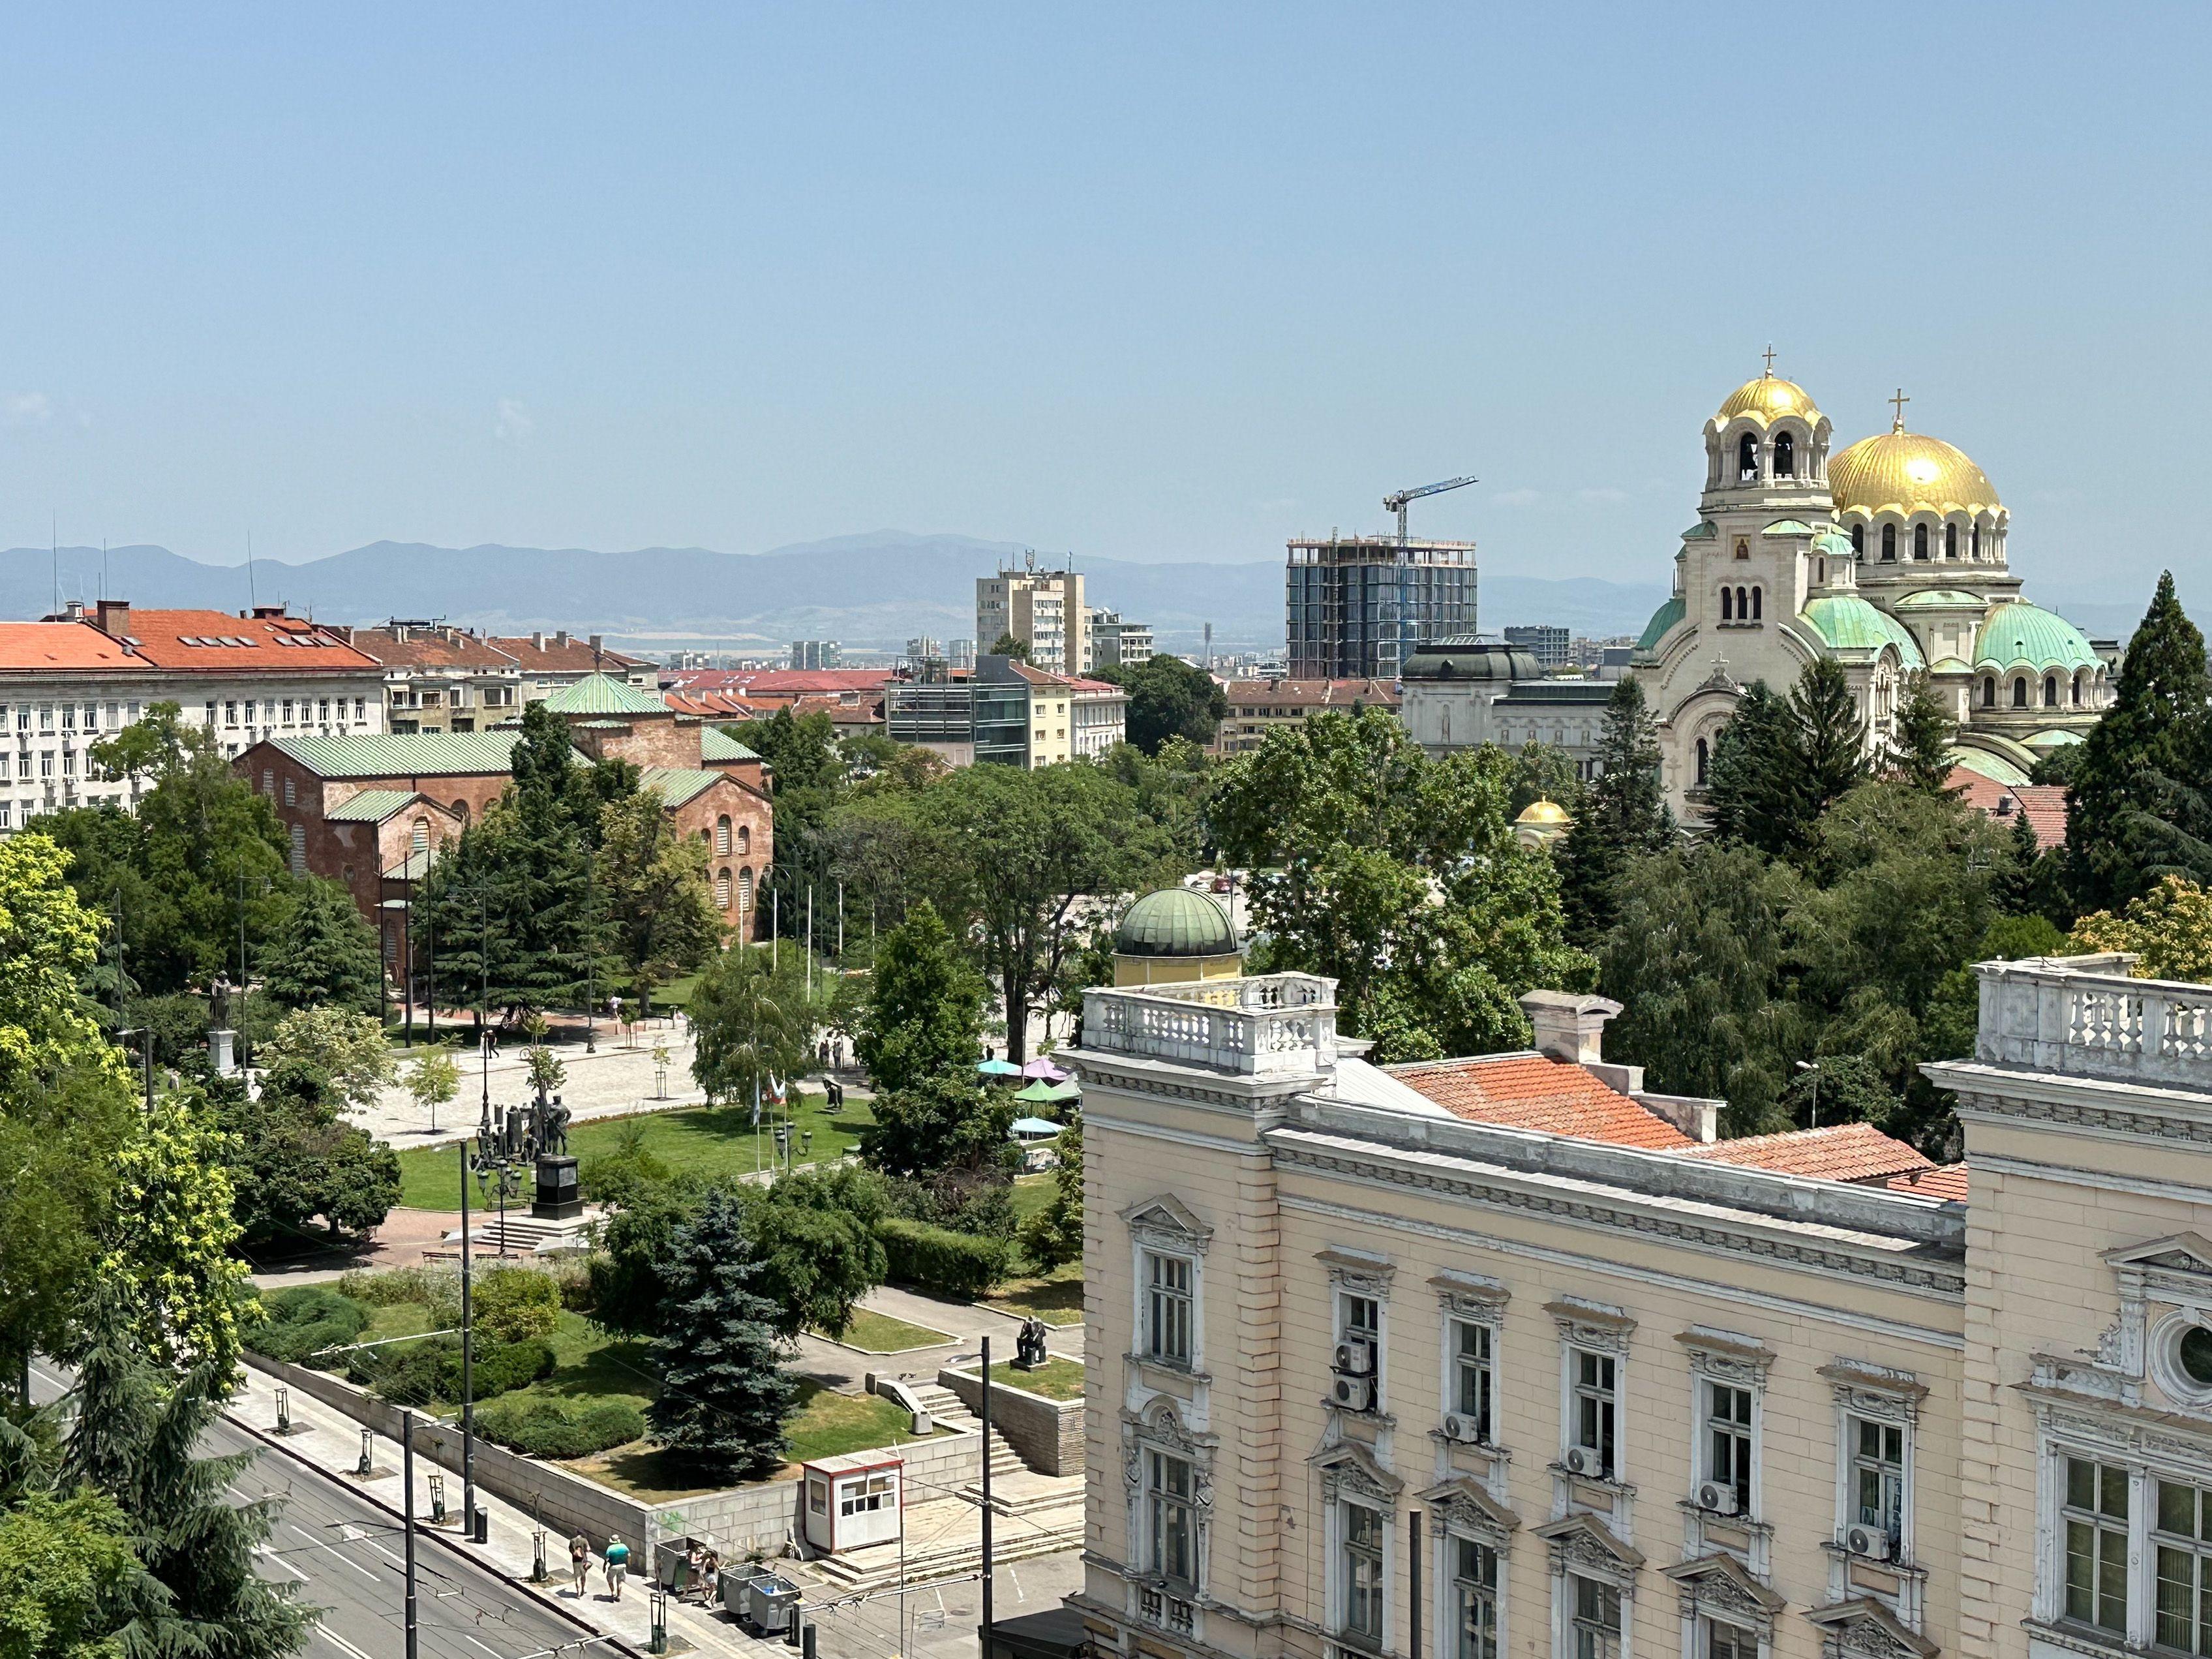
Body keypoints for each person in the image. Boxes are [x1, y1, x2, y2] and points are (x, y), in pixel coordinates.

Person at [604, 1534, 630, 1600]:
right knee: (620, 1582)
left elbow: (607, 1559)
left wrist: (604, 1567)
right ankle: (619, 1596)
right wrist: (628, 1563)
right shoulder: (624, 1546)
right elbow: (629, 1555)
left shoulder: (610, 1548)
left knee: (609, 1579)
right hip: (622, 1566)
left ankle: (613, 1591)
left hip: (613, 1566)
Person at [568, 1531, 591, 1596]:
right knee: (584, 1576)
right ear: (582, 1534)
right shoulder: (584, 1540)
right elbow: (588, 1549)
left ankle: (578, 1593)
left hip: (575, 1561)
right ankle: (583, 1590)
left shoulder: (572, 1541)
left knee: (578, 1577)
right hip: (584, 1561)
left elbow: (571, 1550)